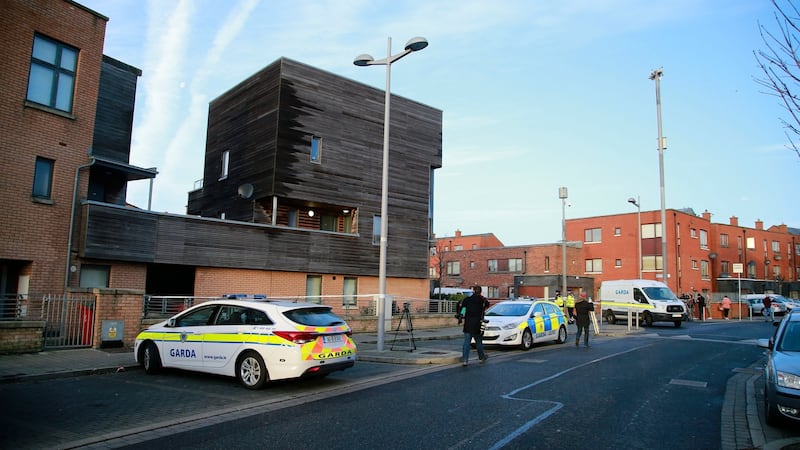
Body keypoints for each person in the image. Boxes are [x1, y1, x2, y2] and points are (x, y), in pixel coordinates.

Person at [461, 285, 490, 366]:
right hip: (478, 323)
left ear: (473, 291)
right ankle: (481, 357)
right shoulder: (482, 300)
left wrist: (461, 315)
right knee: (478, 342)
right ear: (480, 291)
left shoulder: (467, 299)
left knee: (467, 342)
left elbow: (463, 309)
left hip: (468, 324)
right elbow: (487, 304)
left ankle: (465, 360)